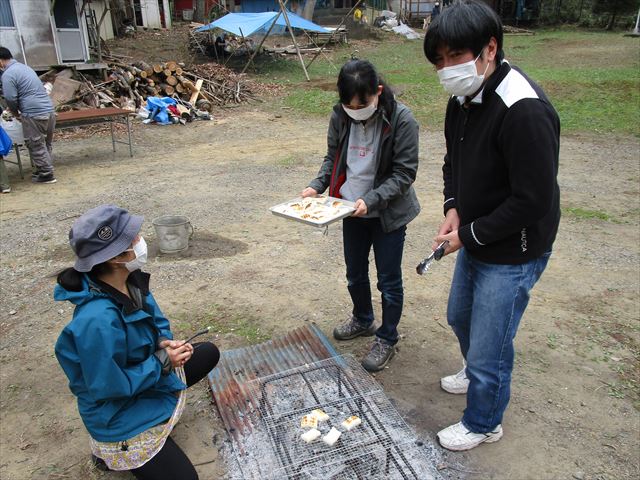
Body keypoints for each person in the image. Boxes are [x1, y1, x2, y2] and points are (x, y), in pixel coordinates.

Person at [423, 0, 560, 451]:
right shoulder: (463, 98)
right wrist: (454, 207)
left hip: (516, 245)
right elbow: (453, 163)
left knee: (491, 343)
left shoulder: (523, 109)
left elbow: (532, 200)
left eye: (454, 56)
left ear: (489, 48)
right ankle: (479, 371)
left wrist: (467, 235)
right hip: (478, 231)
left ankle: (484, 422)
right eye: (438, 60)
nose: (446, 69)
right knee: (459, 316)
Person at [54, 205, 220, 479]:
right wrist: (162, 362)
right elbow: (107, 386)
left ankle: (153, 423)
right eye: (134, 238)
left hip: (144, 379)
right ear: (116, 257)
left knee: (207, 353)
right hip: (117, 408)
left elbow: (157, 323)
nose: (141, 241)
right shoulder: (96, 321)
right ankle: (113, 451)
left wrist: (165, 344)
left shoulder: (130, 282)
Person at [302, 60, 421, 372]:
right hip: (349, 209)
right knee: (354, 273)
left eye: (363, 103)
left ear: (378, 92)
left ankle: (387, 337)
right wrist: (317, 186)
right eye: (348, 104)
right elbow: (332, 157)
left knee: (388, 279)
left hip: (387, 214)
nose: (355, 109)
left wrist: (371, 200)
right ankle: (363, 319)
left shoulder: (402, 119)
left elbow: (404, 173)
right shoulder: (340, 116)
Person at [0, 47, 56, 184]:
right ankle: (44, 168)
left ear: (1, 61)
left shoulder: (8, 74)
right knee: (45, 143)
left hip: (34, 112)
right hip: (49, 110)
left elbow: (10, 97)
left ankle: (47, 173)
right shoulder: (25, 68)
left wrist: (14, 112)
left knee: (35, 143)